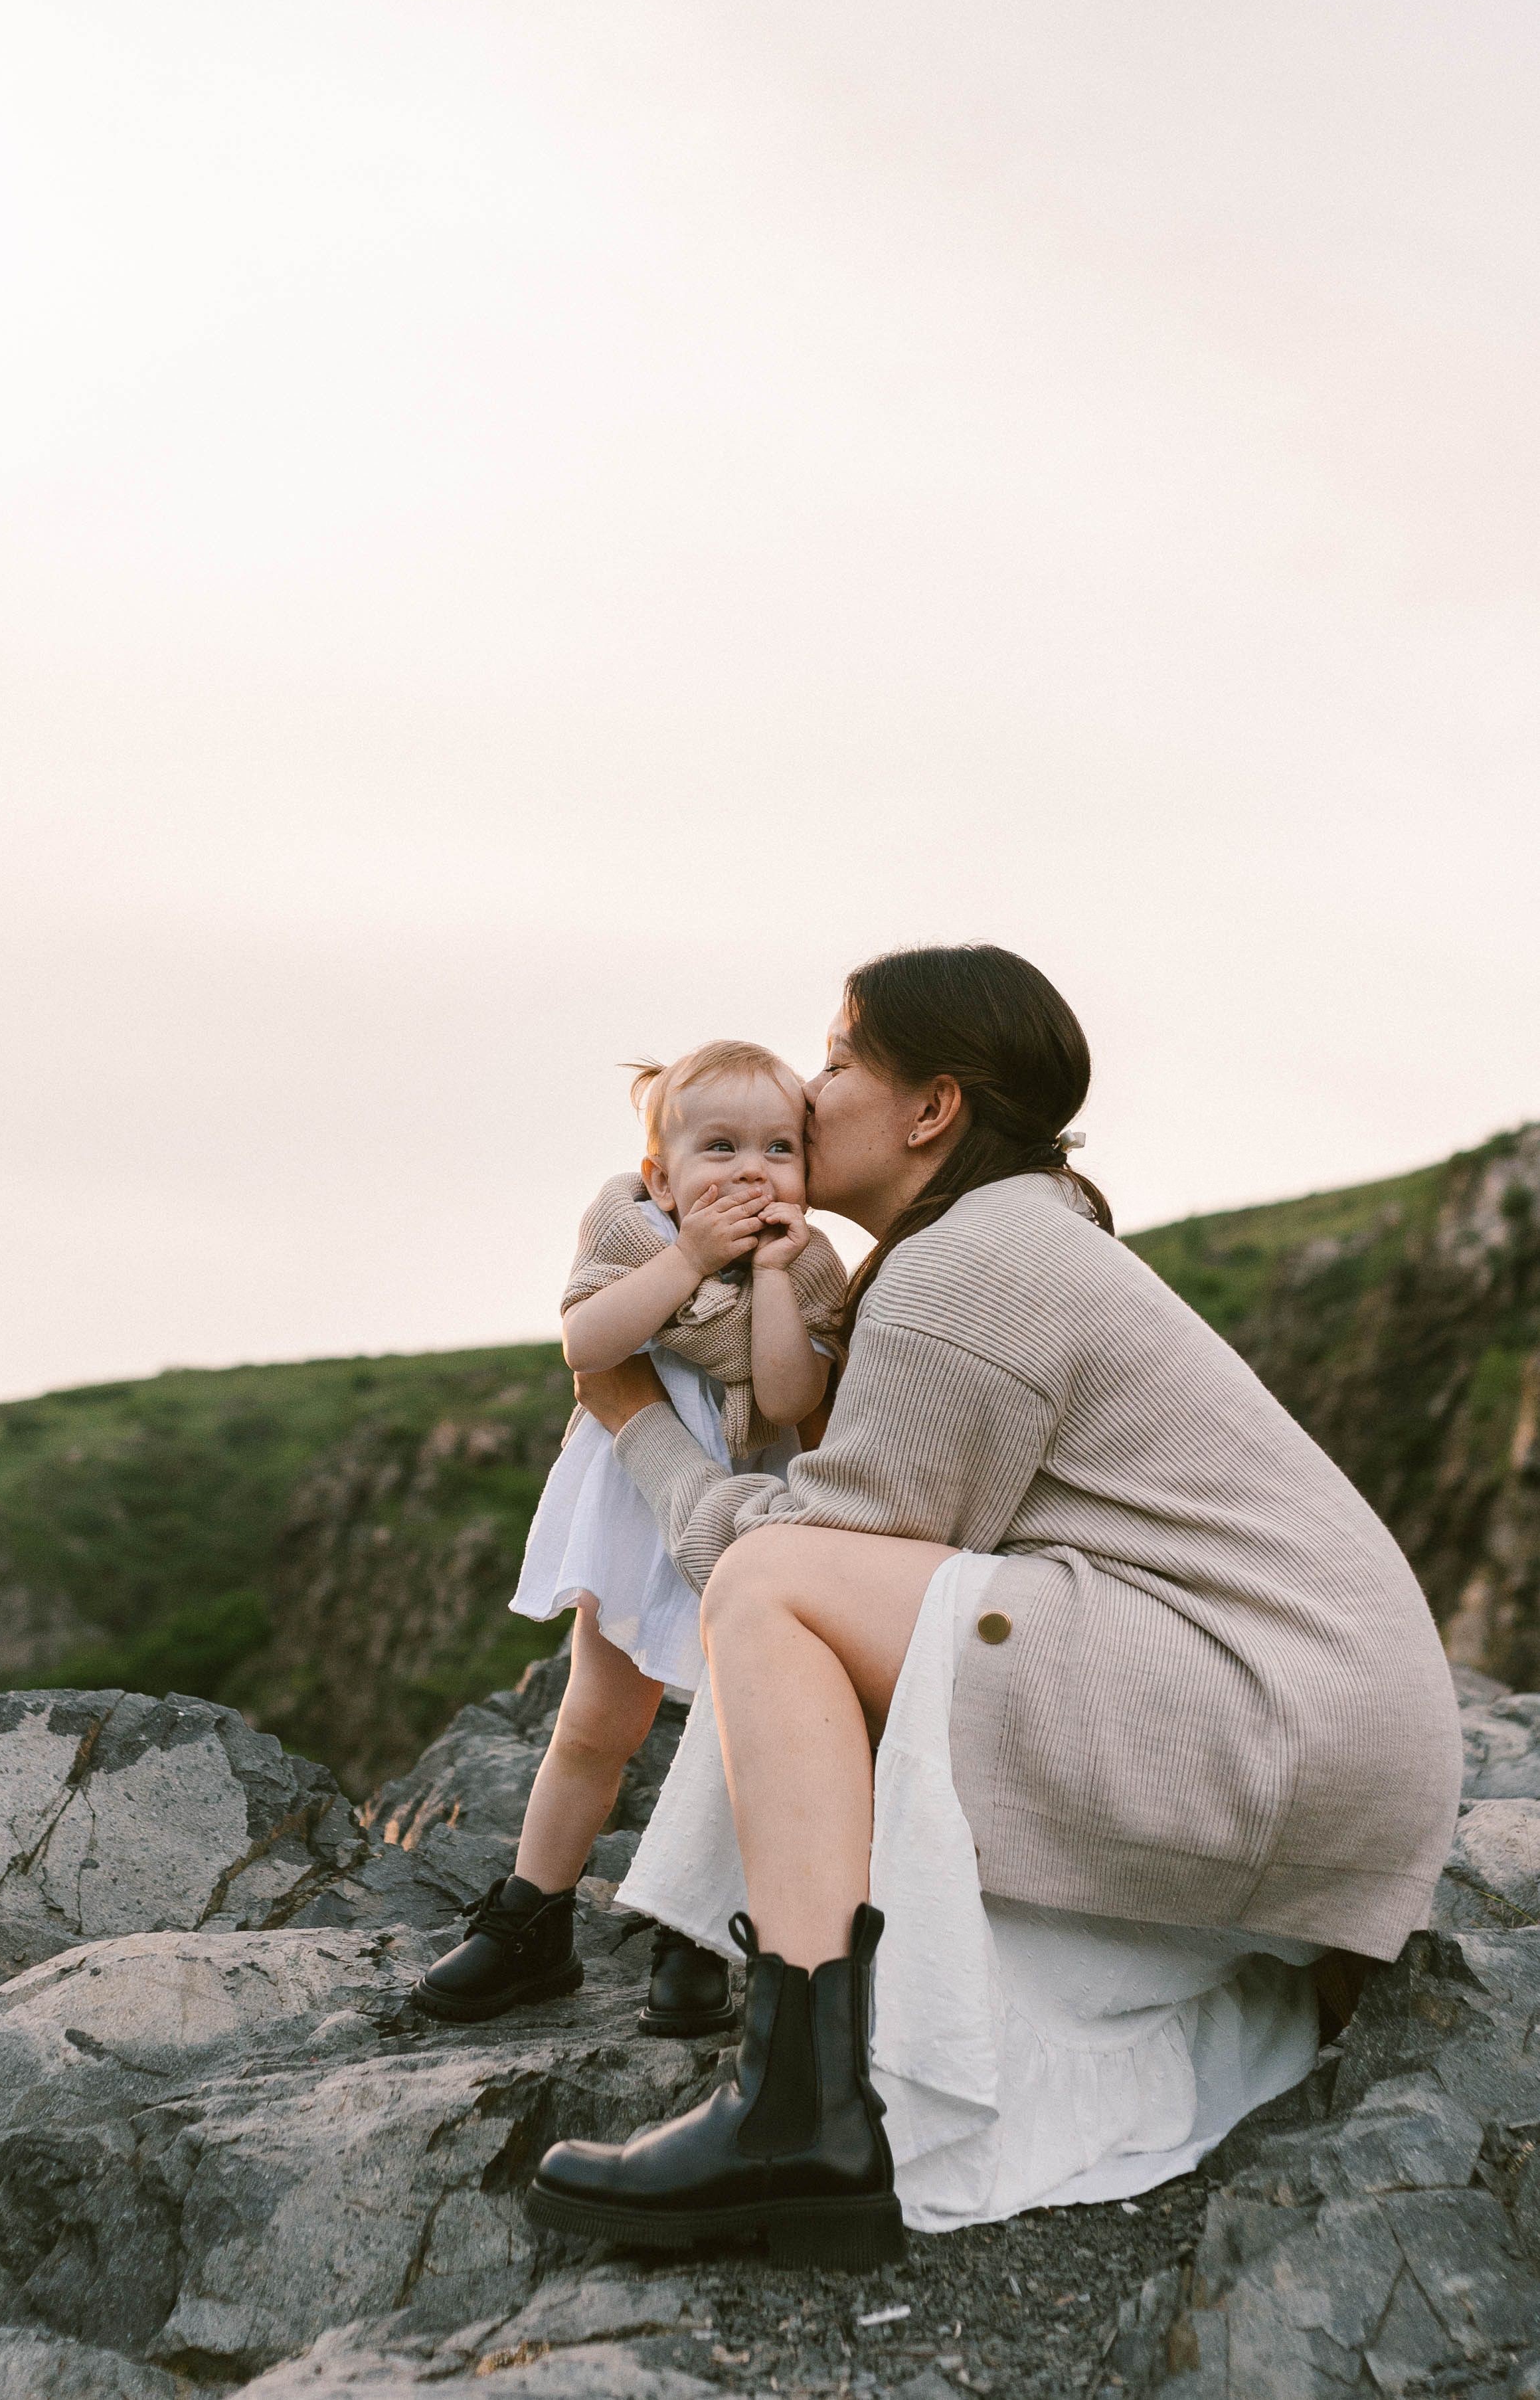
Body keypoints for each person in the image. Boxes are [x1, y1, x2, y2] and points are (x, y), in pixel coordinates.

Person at [525, 943, 1464, 2268]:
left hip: (1269, 1721)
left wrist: (640, 1431)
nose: (807, 1085)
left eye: (842, 1058)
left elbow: (811, 1551)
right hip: (1306, 1726)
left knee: (774, 1586)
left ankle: (798, 2106)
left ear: (932, 1109)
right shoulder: (1015, 1231)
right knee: (802, 1587)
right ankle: (804, 2073)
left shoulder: (968, 1263)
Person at [414, 1039, 845, 2035]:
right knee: (595, 1721)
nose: (751, 1171)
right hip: (636, 1503)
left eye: (780, 1149)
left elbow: (788, 1393)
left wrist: (774, 1276)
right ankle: (535, 1913)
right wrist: (691, 1257)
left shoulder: (813, 1266)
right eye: (720, 1147)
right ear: (662, 1174)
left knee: (734, 1735)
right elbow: (588, 1345)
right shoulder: (634, 1229)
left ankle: (693, 1928)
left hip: (746, 1507)